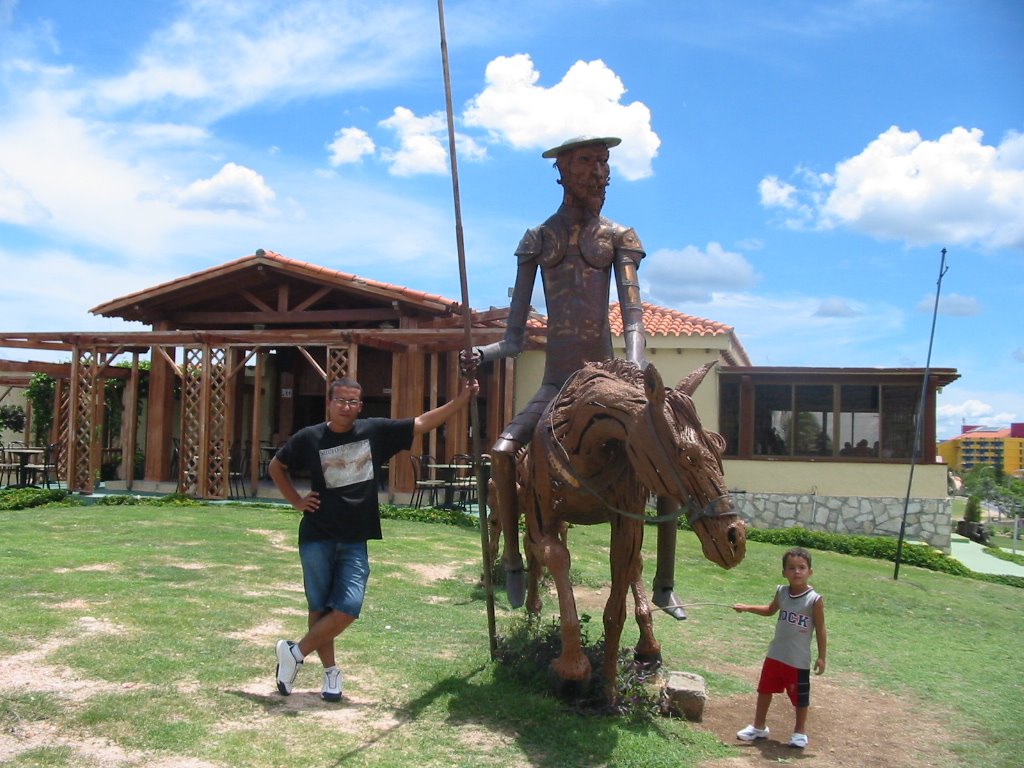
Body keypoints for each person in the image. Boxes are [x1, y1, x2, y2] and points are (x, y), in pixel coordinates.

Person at [461, 135, 687, 619]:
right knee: (502, 453)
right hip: (555, 383)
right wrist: (481, 353)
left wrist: (634, 363)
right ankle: (513, 560)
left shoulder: (618, 237)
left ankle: (665, 582)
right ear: (562, 169)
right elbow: (515, 338)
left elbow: (633, 317)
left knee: (666, 450)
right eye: (588, 161)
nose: (599, 172)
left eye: (604, 162)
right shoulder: (538, 240)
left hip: (608, 376)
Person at [269, 375, 477, 700]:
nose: (346, 407)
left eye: (353, 401)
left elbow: (422, 423)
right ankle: (330, 674)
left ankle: (294, 653)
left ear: (360, 405)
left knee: (348, 607)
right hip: (317, 534)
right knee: (319, 606)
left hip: (355, 537)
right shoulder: (309, 437)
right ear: (329, 402)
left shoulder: (374, 432)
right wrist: (296, 500)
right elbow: (276, 466)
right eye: (341, 400)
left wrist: (460, 401)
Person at [733, 546, 827, 749]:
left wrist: (821, 657)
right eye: (791, 568)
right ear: (784, 572)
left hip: (797, 660)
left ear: (810, 571)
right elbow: (770, 610)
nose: (797, 572)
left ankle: (799, 732)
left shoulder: (814, 600)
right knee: (765, 690)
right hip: (776, 654)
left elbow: (820, 629)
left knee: (800, 698)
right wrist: (747, 608)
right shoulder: (782, 592)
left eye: (802, 567)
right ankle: (759, 727)